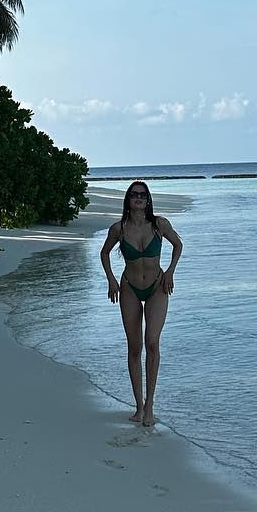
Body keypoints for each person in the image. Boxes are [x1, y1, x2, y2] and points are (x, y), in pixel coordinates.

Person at [100, 180, 183, 428]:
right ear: (128, 199)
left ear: (148, 200)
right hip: (130, 288)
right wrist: (111, 280)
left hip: (157, 286)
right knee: (135, 347)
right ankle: (138, 406)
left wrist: (170, 272)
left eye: (143, 195)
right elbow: (104, 253)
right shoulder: (119, 228)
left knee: (152, 343)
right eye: (134, 194)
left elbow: (178, 245)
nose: (139, 198)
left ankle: (150, 407)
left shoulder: (159, 225)